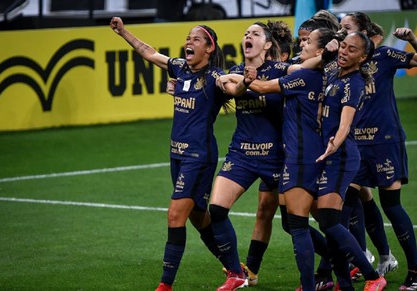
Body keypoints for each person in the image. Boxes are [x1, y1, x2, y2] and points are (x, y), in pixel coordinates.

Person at [109, 17, 231, 291]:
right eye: (188, 38)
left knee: (176, 214)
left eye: (196, 39)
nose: (189, 42)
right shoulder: (179, 68)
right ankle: (236, 269)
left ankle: (165, 285)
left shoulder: (213, 77)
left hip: (198, 156)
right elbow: (148, 52)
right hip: (176, 154)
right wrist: (123, 32)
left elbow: (231, 87)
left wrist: (244, 82)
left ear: (209, 48)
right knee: (198, 217)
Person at [339, 11, 417, 290]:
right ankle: (366, 259)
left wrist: (413, 39)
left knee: (392, 206)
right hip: (356, 143)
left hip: (385, 142)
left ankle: (416, 269)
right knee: (346, 197)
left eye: (347, 29)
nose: (342, 34)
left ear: (364, 33)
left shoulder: (384, 57)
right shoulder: (343, 61)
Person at [242, 27, 336, 291]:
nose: (299, 50)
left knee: (304, 221)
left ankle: (347, 263)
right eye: (300, 43)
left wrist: (247, 80)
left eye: (305, 43)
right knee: (290, 219)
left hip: (298, 156)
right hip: (284, 155)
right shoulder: (300, 71)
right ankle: (341, 265)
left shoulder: (297, 74)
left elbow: (263, 85)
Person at [210, 21, 290, 291]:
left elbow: (302, 75)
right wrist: (232, 79)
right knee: (217, 209)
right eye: (246, 34)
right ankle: (237, 273)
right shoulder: (235, 71)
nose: (248, 37)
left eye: (255, 34)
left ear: (267, 45)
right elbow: (229, 86)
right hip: (242, 153)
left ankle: (342, 259)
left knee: (288, 222)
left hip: (276, 156)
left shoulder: (280, 70)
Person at [315, 31, 387, 291]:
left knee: (329, 223)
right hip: (327, 156)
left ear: (363, 57)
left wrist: (333, 144)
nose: (344, 51)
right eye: (343, 47)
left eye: (351, 49)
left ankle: (372, 275)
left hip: (341, 157)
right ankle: (343, 283)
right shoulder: (335, 73)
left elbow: (345, 123)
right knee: (330, 223)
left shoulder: (354, 83)